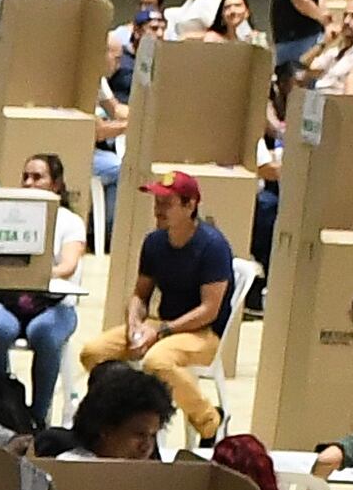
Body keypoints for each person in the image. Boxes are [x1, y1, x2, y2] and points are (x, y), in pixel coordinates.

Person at [69, 174, 232, 437]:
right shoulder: (154, 242)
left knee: (157, 362)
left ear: (190, 205)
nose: (158, 209)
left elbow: (209, 310)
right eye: (157, 202)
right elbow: (140, 295)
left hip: (203, 332)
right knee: (93, 352)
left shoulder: (213, 246)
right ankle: (123, 415)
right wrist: (134, 323)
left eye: (167, 203)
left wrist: (161, 332)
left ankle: (210, 420)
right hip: (162, 323)